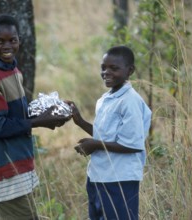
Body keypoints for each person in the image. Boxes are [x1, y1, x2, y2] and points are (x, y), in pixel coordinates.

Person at [0, 14, 70, 220]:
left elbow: (13, 114)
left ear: (19, 40)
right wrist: (37, 122)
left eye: (12, 40)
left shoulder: (12, 70)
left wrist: (50, 111)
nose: (6, 46)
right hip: (3, 168)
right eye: (0, 41)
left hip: (17, 161)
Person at [67, 45, 152, 220]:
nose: (106, 72)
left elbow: (133, 144)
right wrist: (80, 120)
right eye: (103, 67)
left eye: (114, 68)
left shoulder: (130, 102)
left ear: (130, 71)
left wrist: (95, 145)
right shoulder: (105, 99)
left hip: (120, 179)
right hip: (98, 176)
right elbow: (104, 135)